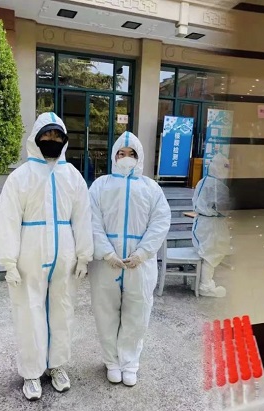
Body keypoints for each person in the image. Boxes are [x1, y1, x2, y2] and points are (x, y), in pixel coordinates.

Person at [0, 112, 94, 401]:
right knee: (29, 312)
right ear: (36, 139)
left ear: (64, 140)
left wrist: (84, 256)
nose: (52, 140)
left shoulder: (72, 176)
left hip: (64, 255)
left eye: (57, 136)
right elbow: (8, 220)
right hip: (30, 254)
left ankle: (56, 365)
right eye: (47, 135)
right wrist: (8, 262)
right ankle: (31, 372)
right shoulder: (20, 177)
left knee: (62, 310)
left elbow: (83, 218)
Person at [88, 131, 171, 386]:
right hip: (106, 263)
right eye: (121, 154)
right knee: (105, 312)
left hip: (140, 265)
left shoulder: (151, 188)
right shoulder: (100, 186)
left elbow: (160, 222)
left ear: (139, 157)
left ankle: (130, 362)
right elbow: (91, 221)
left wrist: (143, 253)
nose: (126, 158)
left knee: (137, 313)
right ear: (114, 157)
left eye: (131, 154)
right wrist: (107, 252)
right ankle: (111, 362)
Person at [192, 153, 231, 298]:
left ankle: (201, 282)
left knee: (206, 253)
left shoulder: (202, 181)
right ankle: (205, 286)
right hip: (212, 225)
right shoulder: (218, 186)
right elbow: (223, 208)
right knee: (211, 254)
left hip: (202, 223)